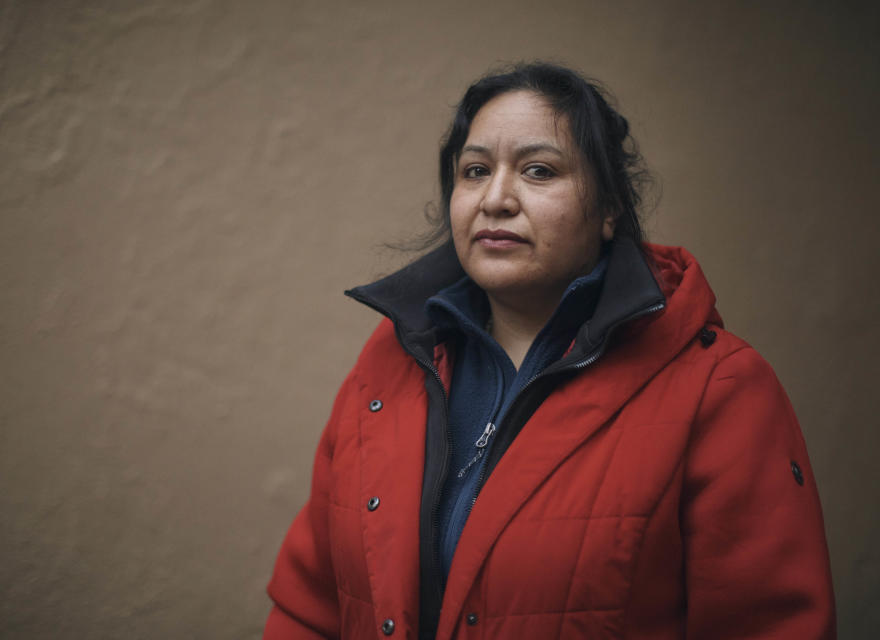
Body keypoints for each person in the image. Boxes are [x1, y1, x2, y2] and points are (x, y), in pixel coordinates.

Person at [263, 63, 836, 639]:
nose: (496, 198)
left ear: (609, 208)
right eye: (475, 171)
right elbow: (308, 610)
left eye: (538, 171)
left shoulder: (720, 388)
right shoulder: (390, 362)